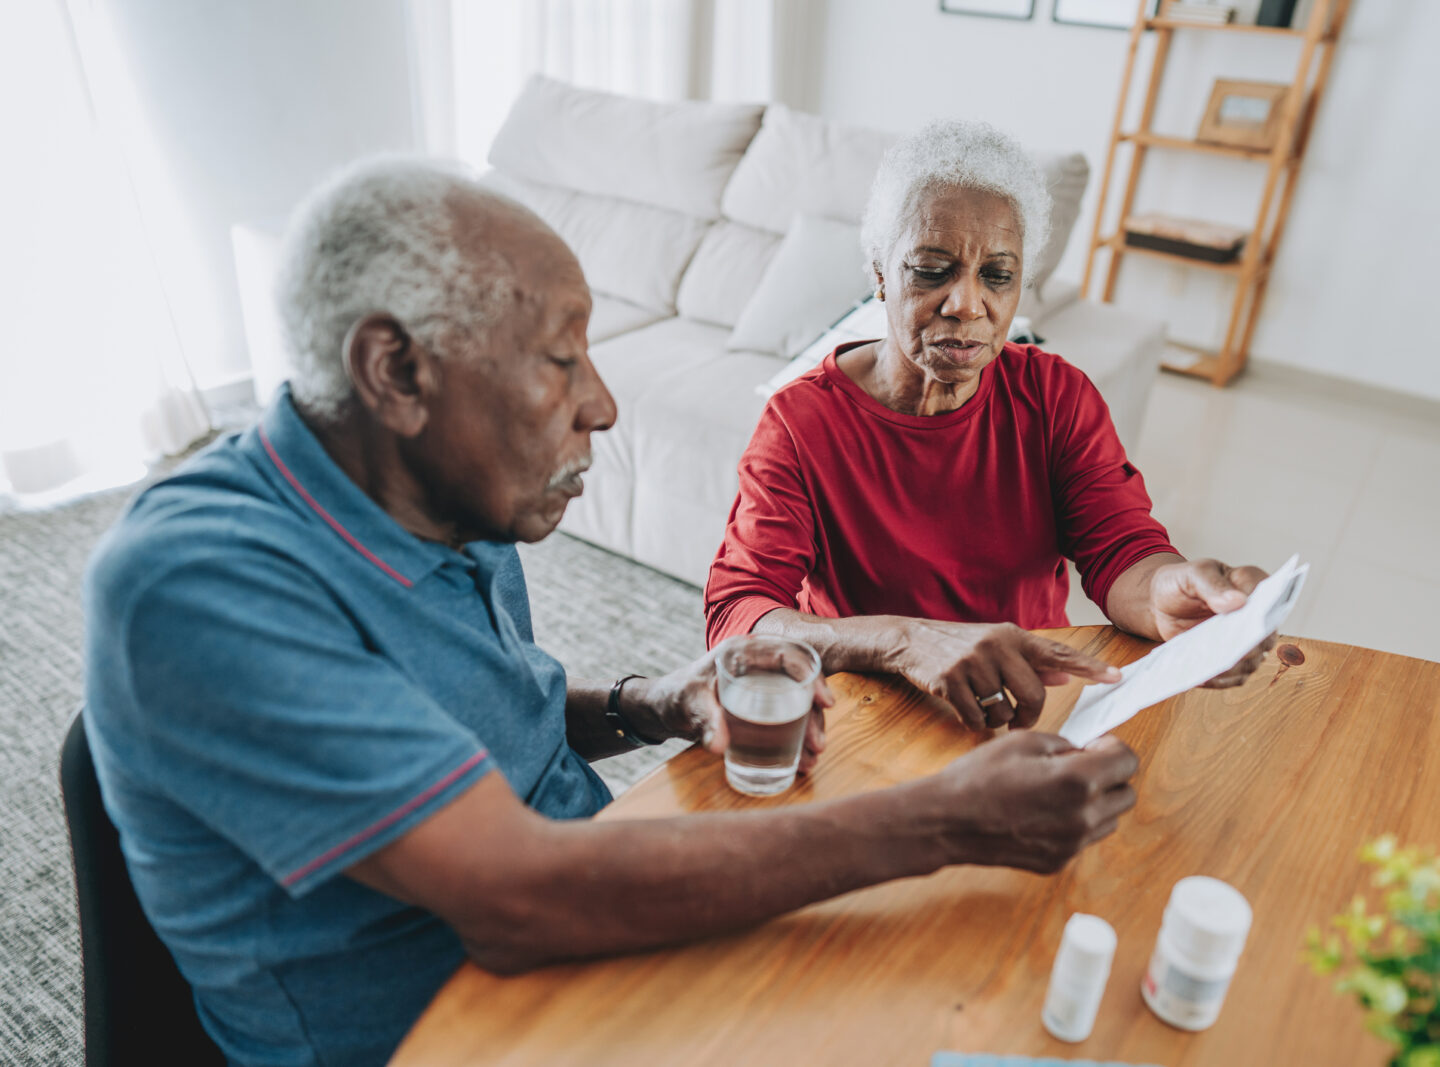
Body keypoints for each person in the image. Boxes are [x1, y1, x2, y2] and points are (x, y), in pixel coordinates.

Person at [82, 160, 1140, 1067]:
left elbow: (480, 720)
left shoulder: (444, 492)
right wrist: (946, 821)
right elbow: (518, 894)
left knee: (969, 988)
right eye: (559, 358)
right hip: (457, 1021)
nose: (602, 401)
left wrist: (647, 702)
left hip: (587, 936)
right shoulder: (195, 587)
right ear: (396, 370)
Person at [704, 120, 1275, 732]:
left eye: (997, 275)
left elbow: (1121, 551)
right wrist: (903, 641)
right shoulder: (801, 423)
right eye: (931, 270)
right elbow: (739, 613)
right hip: (876, 708)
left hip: (1026, 697)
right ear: (878, 273)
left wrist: (1170, 589)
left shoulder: (1056, 396)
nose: (968, 305)